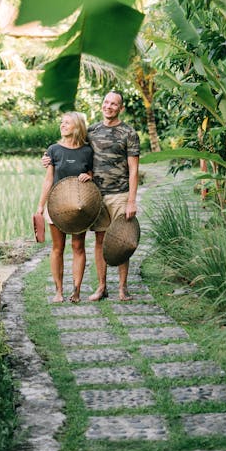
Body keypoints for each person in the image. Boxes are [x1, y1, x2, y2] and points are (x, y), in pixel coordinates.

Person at [86, 90, 140, 302]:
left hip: (120, 194)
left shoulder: (129, 133)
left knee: (122, 241)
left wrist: (131, 200)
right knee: (100, 240)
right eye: (106, 102)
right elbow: (73, 149)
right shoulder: (91, 131)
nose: (109, 106)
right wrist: (49, 158)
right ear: (102, 104)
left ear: (121, 108)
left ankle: (123, 288)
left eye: (114, 104)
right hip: (97, 195)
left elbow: (134, 169)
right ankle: (101, 287)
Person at [36, 111, 94, 303]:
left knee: (78, 246)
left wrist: (89, 177)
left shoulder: (87, 151)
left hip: (79, 207)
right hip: (56, 205)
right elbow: (48, 180)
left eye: (67, 123)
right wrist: (40, 206)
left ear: (77, 126)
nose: (62, 125)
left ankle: (76, 290)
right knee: (57, 248)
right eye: (61, 122)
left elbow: (91, 172)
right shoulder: (53, 150)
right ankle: (58, 291)